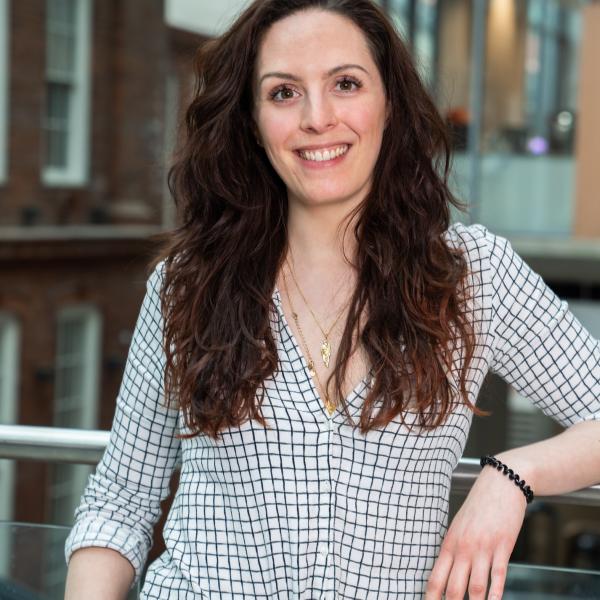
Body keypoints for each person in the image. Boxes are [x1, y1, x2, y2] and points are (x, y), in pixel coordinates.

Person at [64, 1, 600, 598]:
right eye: (284, 93)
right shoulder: (188, 284)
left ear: (389, 103)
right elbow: (119, 504)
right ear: (252, 119)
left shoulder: (472, 276)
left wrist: (513, 475)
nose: (318, 118)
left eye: (345, 84)